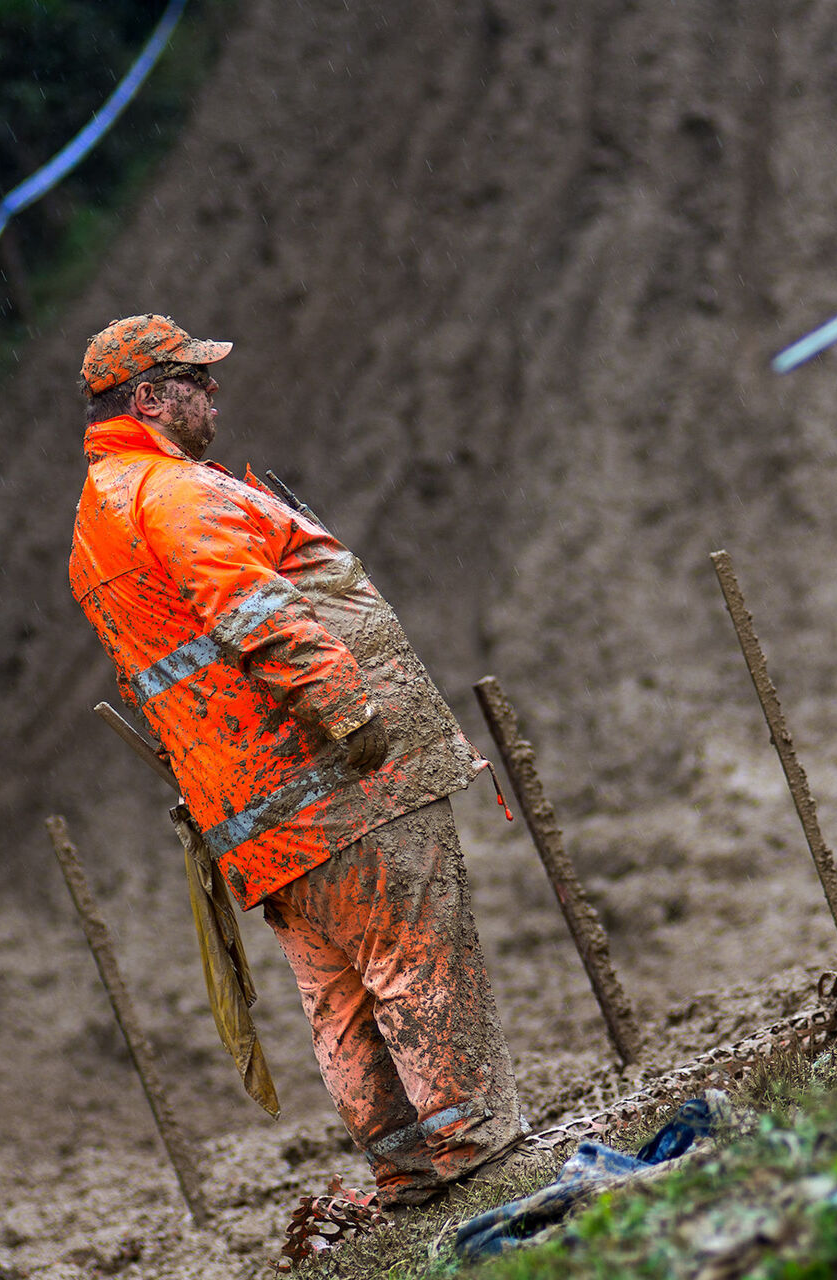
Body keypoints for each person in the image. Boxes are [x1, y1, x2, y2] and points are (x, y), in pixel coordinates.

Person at [66, 314, 525, 1205]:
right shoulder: (172, 495)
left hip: (256, 818)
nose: (214, 393)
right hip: (344, 787)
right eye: (196, 381)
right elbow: (256, 615)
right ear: (150, 398)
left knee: (341, 1000)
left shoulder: (94, 527)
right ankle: (478, 1156)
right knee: (419, 961)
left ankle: (404, 1171)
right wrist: (350, 712)